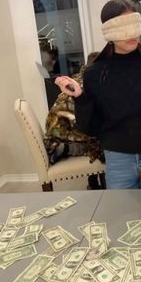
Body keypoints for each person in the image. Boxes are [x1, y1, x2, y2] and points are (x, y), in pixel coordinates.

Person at [55, 0, 141, 189]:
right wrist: (81, 97)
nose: (131, 34)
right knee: (123, 216)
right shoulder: (96, 72)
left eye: (134, 24)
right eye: (123, 27)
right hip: (118, 158)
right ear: (109, 31)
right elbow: (90, 128)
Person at [44, 52, 105, 189]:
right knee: (104, 145)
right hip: (66, 137)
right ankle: (101, 186)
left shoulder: (77, 79)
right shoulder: (91, 86)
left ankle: (94, 183)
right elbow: (89, 124)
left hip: (53, 134)